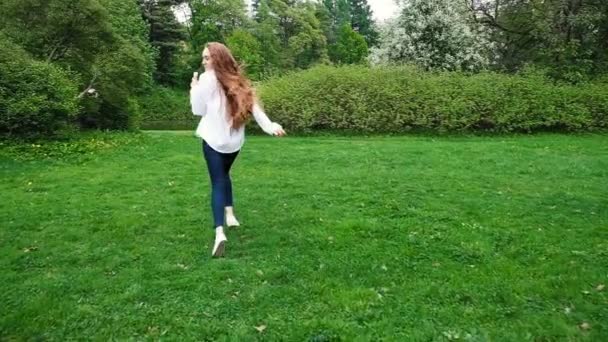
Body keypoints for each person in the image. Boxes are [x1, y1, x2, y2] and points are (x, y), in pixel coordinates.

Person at [190, 42, 286, 258]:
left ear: (217, 59)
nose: (203, 62)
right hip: (233, 144)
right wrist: (271, 127)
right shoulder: (239, 81)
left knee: (217, 181)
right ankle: (230, 213)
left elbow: (198, 111)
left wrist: (194, 90)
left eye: (207, 58)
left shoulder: (206, 79)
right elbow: (256, 109)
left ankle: (219, 233)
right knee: (224, 176)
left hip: (214, 142)